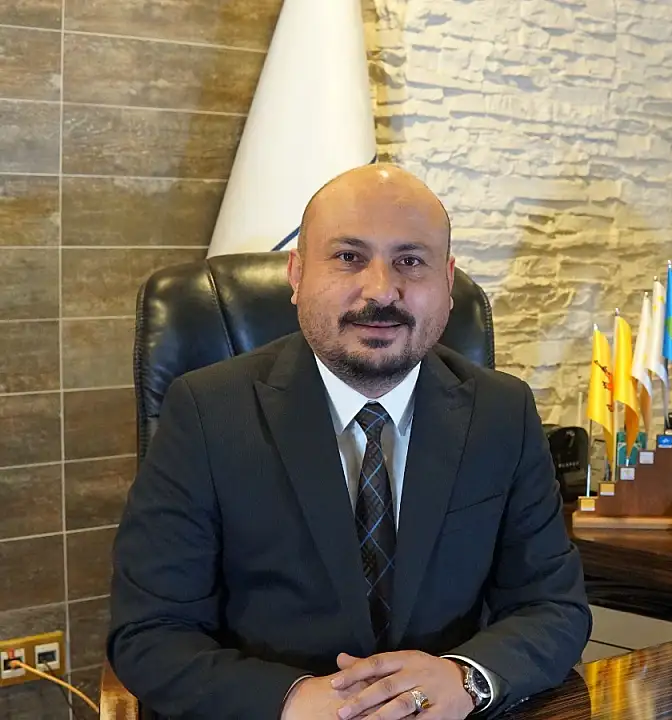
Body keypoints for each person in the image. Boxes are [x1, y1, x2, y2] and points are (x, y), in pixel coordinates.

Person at [108, 164, 592, 719]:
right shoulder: (206, 411)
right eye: (348, 256)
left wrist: (468, 679)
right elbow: (151, 632)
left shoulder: (503, 411)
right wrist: (293, 701)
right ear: (296, 275)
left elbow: (553, 606)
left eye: (410, 261)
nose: (381, 290)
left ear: (447, 281)